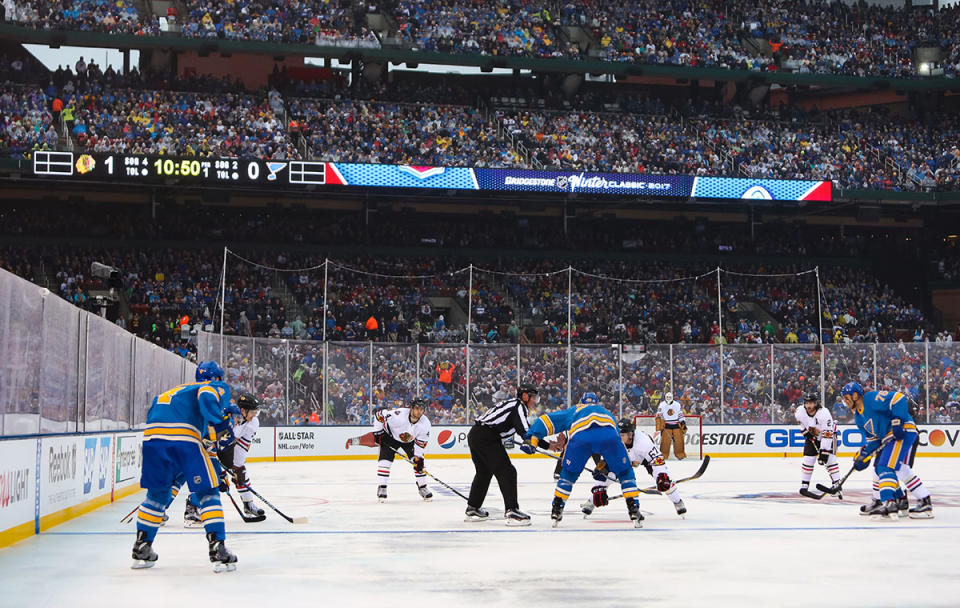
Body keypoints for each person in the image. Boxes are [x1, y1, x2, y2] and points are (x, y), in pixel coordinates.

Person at [132, 361, 239, 572]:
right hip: (182, 437)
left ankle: (142, 546)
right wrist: (224, 426)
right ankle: (218, 548)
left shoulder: (175, 391)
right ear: (216, 378)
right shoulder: (211, 386)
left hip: (153, 438)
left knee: (157, 495)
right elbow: (207, 397)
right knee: (208, 492)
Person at [526, 392, 644, 528]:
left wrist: (532, 437)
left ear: (581, 401)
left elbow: (547, 421)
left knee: (568, 475)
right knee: (625, 472)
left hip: (581, 438)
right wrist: (605, 465)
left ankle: (557, 509)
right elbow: (616, 442)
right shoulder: (606, 412)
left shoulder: (576, 409)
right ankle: (633, 509)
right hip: (608, 435)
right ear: (597, 402)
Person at [840, 383, 933, 519]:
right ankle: (908, 500)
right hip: (889, 438)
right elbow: (873, 441)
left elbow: (898, 398)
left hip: (903, 431)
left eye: (847, 397)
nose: (845, 401)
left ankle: (889, 502)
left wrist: (897, 420)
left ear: (855, 395)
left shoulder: (870, 398)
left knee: (885, 466)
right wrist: (864, 456)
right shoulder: (859, 418)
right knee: (890, 468)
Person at [581, 417, 686, 517]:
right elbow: (607, 465)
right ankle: (591, 501)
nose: (619, 437)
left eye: (622, 435)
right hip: (623, 457)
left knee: (663, 481)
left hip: (643, 457)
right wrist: (599, 485)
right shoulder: (613, 441)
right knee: (608, 477)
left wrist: (662, 475)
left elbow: (657, 461)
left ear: (631, 434)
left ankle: (677, 501)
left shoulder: (644, 443)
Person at [466, 383, 539, 526]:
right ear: (525, 396)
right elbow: (525, 432)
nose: (535, 401)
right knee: (508, 472)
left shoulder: (513, 405)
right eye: (533, 397)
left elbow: (525, 431)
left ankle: (473, 508)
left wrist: (546, 445)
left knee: (484, 473)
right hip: (487, 437)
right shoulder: (519, 406)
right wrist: (534, 442)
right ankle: (512, 511)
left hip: (476, 434)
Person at [372, 398, 432, 502]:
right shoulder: (398, 415)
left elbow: (420, 444)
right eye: (417, 408)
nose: (419, 412)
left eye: (422, 409)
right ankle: (382, 487)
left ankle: (422, 487)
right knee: (385, 462)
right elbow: (379, 415)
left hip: (409, 441)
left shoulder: (425, 424)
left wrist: (418, 458)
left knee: (419, 463)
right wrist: (378, 433)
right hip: (390, 437)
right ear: (411, 408)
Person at [222, 392, 265, 518]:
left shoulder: (253, 422)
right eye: (252, 412)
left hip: (234, 457)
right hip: (222, 455)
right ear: (243, 410)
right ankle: (192, 509)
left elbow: (233, 436)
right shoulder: (231, 419)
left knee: (241, 477)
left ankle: (248, 506)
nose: (255, 415)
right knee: (209, 482)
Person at [794, 392, 842, 499]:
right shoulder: (799, 411)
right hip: (812, 436)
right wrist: (805, 433)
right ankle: (804, 485)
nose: (809, 406)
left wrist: (824, 452)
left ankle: (837, 485)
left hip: (828, 436)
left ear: (816, 403)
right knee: (808, 459)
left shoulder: (824, 413)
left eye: (811, 403)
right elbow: (801, 423)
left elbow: (828, 434)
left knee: (830, 460)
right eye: (807, 403)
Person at [656, 391, 687, 459]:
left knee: (679, 441)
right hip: (666, 425)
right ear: (665, 397)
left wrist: (682, 422)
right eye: (667, 397)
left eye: (670, 397)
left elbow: (680, 414)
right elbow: (659, 415)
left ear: (672, 397)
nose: (668, 398)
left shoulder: (677, 404)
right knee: (665, 442)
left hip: (676, 424)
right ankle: (664, 455)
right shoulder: (662, 404)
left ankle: (680, 455)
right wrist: (659, 425)